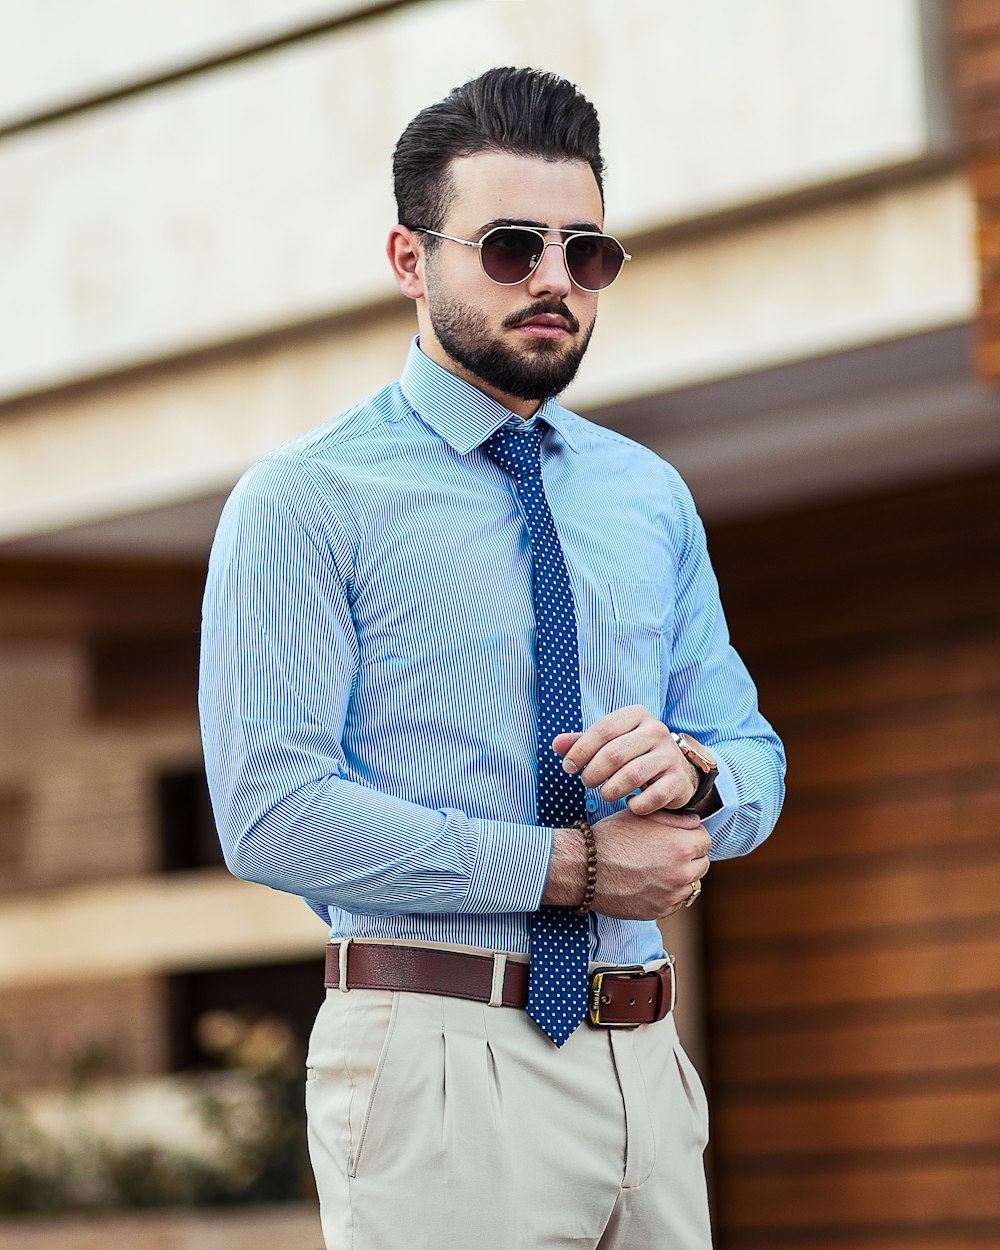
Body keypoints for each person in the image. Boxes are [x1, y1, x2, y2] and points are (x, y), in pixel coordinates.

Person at [199, 66, 784, 1250]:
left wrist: (695, 775)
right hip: (437, 1062)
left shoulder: (647, 494)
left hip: (647, 1065)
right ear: (410, 260)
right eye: (511, 247)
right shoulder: (307, 501)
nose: (555, 282)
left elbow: (751, 755)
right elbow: (272, 812)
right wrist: (568, 867)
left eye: (588, 253)